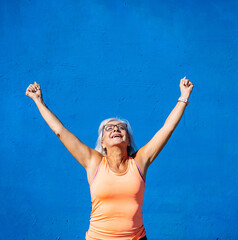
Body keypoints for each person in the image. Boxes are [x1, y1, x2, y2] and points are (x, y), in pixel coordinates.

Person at [25, 77, 194, 240]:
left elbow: (167, 129)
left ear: (128, 140)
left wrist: (183, 97)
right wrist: (39, 101)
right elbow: (60, 131)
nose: (116, 129)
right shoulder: (94, 161)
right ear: (103, 142)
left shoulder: (139, 161)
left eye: (121, 127)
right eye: (109, 128)